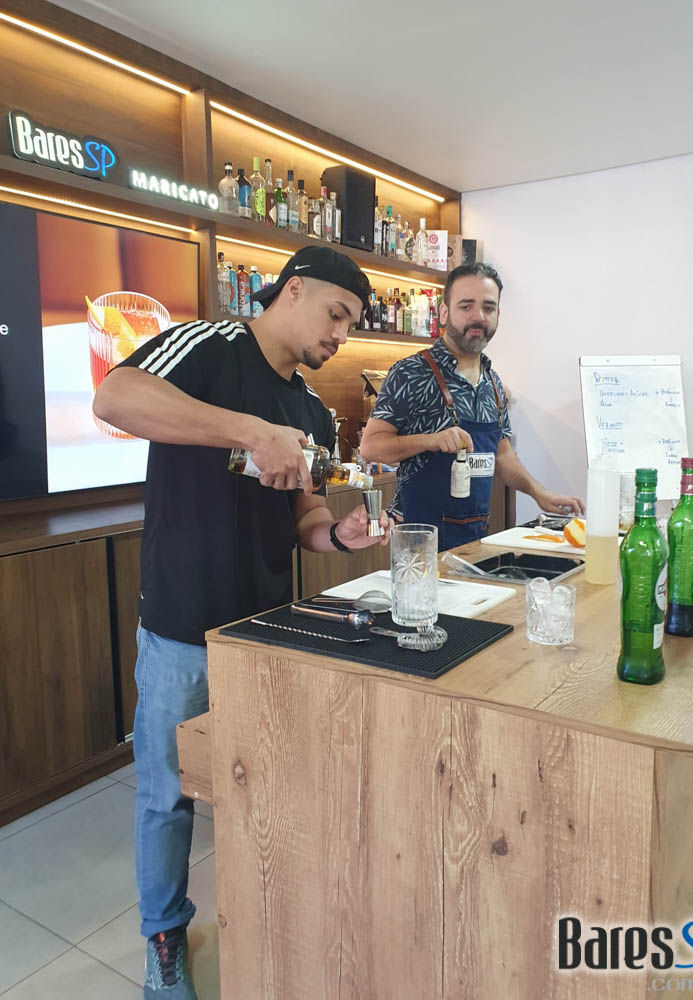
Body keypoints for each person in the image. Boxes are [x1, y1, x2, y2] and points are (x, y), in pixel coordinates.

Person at [93, 245, 390, 1000]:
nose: (340, 335)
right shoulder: (210, 345)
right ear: (293, 291)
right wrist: (250, 431)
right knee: (168, 794)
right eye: (336, 315)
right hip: (182, 626)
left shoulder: (310, 407)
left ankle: (264, 921)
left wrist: (338, 535)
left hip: (266, 632)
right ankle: (164, 937)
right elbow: (115, 398)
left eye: (351, 325)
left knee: (262, 787)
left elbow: (305, 515)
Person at [359, 262, 583, 550]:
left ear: (498, 315)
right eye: (466, 306)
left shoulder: (493, 383)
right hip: (419, 544)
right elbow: (371, 447)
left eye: (488, 308)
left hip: (475, 542)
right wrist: (431, 440)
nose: (478, 317)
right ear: (443, 312)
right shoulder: (411, 373)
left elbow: (502, 454)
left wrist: (539, 494)